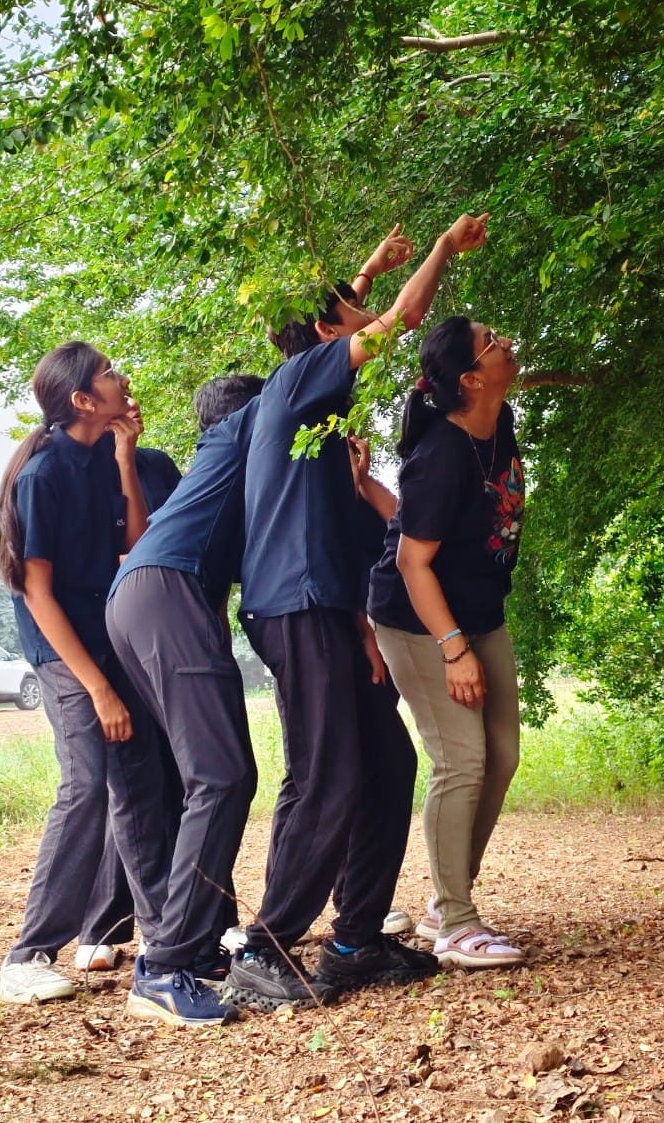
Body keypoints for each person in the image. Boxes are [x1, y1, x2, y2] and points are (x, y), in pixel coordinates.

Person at [224, 213, 489, 1012]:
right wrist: (440, 251)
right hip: (291, 604)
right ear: (322, 332)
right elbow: (395, 321)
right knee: (329, 772)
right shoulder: (297, 377)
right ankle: (266, 947)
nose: (359, 316)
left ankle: (354, 942)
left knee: (388, 764)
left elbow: (358, 308)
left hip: (329, 608)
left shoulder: (319, 412)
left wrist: (362, 629)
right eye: (347, 311)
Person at [0, 342, 171, 1004]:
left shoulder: (101, 457)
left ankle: (161, 933)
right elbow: (36, 592)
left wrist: (125, 459)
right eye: (109, 374)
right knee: (86, 787)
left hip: (106, 637)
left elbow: (135, 539)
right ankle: (28, 955)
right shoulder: (44, 474)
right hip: (63, 649)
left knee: (140, 781)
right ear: (81, 399)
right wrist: (97, 687)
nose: (123, 378)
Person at [104, 373, 266, 1027]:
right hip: (161, 595)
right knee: (221, 777)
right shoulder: (231, 443)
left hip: (153, 598)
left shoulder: (226, 475)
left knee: (217, 777)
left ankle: (189, 947)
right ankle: (164, 965)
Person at [368, 316, 526, 968]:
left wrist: (470, 634)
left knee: (503, 755)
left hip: (479, 612)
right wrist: (453, 649)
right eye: (493, 341)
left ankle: (446, 897)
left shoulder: (502, 423)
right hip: (417, 620)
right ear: (469, 378)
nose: (507, 342)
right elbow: (412, 563)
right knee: (460, 759)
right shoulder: (439, 457)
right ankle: (456, 923)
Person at [76, 397, 183, 973]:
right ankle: (108, 922)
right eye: (118, 387)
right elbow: (124, 547)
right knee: (129, 781)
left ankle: (171, 917)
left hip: (158, 637)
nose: (135, 402)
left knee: (167, 776)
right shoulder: (71, 468)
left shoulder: (160, 467)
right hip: (102, 637)